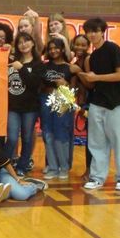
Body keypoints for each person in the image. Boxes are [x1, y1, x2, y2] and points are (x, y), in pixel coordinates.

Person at [78, 17, 120, 191]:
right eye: (89, 32)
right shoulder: (92, 57)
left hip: (116, 103)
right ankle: (97, 177)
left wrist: (96, 77)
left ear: (102, 32)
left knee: (119, 142)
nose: (92, 34)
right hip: (97, 102)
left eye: (95, 31)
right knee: (96, 142)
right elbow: (92, 83)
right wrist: (83, 76)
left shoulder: (113, 49)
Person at [39, 38, 81, 180]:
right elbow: (40, 85)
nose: (53, 51)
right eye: (50, 48)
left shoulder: (70, 68)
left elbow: (76, 88)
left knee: (61, 134)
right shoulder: (44, 66)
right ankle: (52, 167)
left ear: (62, 49)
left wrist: (66, 85)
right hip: (46, 99)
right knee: (47, 133)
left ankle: (64, 167)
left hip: (63, 100)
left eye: (56, 48)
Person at [5, 32, 43, 177]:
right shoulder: (11, 61)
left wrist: (21, 68)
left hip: (30, 108)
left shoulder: (38, 64)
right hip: (12, 107)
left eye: (26, 41)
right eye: (20, 42)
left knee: (27, 138)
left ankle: (22, 166)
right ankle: (4, 166)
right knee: (12, 138)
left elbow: (34, 84)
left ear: (32, 43)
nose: (23, 44)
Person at [72, 34, 93, 182]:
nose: (79, 47)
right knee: (89, 139)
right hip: (83, 103)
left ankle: (91, 170)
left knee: (92, 140)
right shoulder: (77, 60)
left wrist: (78, 71)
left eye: (83, 45)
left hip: (92, 103)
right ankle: (89, 169)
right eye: (77, 44)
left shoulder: (87, 59)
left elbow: (91, 84)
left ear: (88, 46)